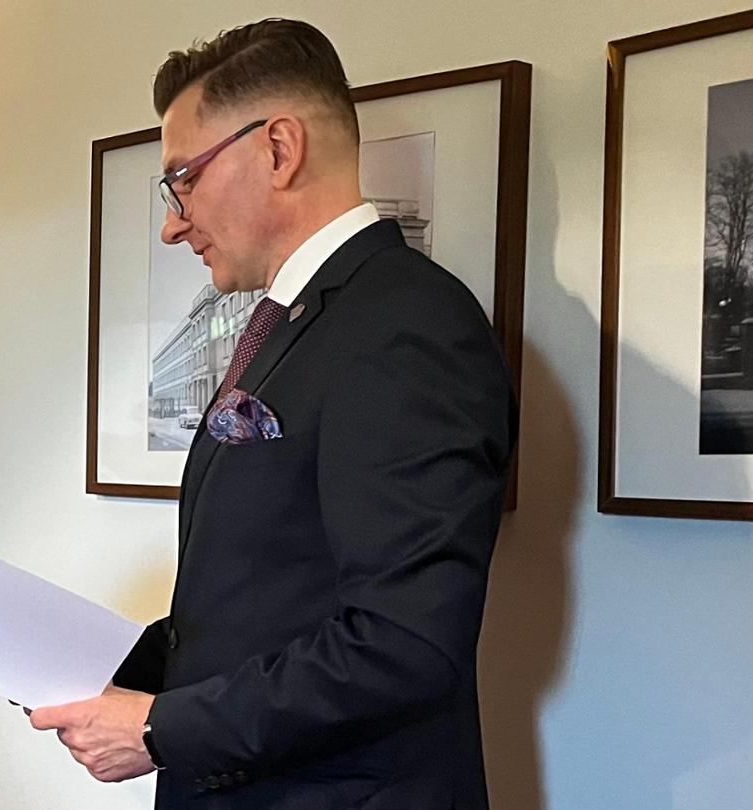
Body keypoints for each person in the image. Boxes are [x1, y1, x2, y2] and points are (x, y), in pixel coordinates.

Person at [28, 19, 517, 809]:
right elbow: (268, 600)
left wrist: (159, 730)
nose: (172, 223)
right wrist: (97, 668)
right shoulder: (294, 324)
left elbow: (405, 642)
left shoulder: (408, 326)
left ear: (280, 148)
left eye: (183, 180)